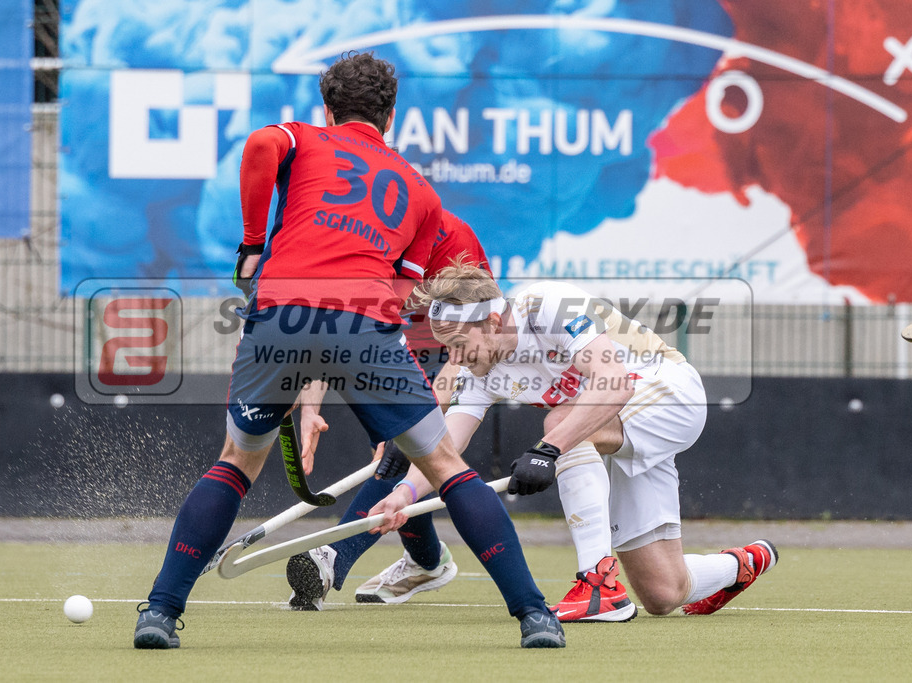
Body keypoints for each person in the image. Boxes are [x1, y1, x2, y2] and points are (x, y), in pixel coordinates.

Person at [133, 51, 565, 650]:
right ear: (390, 116)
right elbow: (391, 291)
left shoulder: (301, 138)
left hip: (280, 316)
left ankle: (159, 611)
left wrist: (254, 246)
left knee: (237, 461)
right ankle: (534, 616)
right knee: (443, 465)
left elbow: (259, 146)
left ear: (328, 108)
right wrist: (381, 397)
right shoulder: (420, 192)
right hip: (364, 324)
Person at [362, 263, 779, 621]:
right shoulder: (481, 368)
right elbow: (448, 445)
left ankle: (599, 585)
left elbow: (613, 383)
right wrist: (403, 495)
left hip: (668, 392)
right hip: (617, 427)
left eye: (457, 343)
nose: (454, 358)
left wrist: (550, 449)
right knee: (662, 592)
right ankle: (741, 565)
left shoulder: (546, 304)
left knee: (562, 421)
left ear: (491, 323)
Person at [285, 209, 490, 610]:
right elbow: (331, 333)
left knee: (405, 456)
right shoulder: (350, 242)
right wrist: (310, 409)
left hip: (452, 354)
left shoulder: (451, 240)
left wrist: (421, 420)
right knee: (399, 462)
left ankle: (331, 558)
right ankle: (427, 561)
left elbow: (463, 348)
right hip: (388, 352)